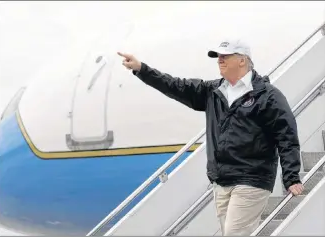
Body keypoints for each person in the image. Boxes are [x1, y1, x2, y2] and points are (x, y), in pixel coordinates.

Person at [117, 38, 304, 236]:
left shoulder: (268, 95)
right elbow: (175, 86)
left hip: (252, 178)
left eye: (225, 56)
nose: (219, 60)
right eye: (218, 57)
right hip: (221, 180)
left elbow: (286, 135)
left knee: (234, 233)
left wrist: (291, 177)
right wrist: (142, 69)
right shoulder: (212, 91)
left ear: (242, 60)